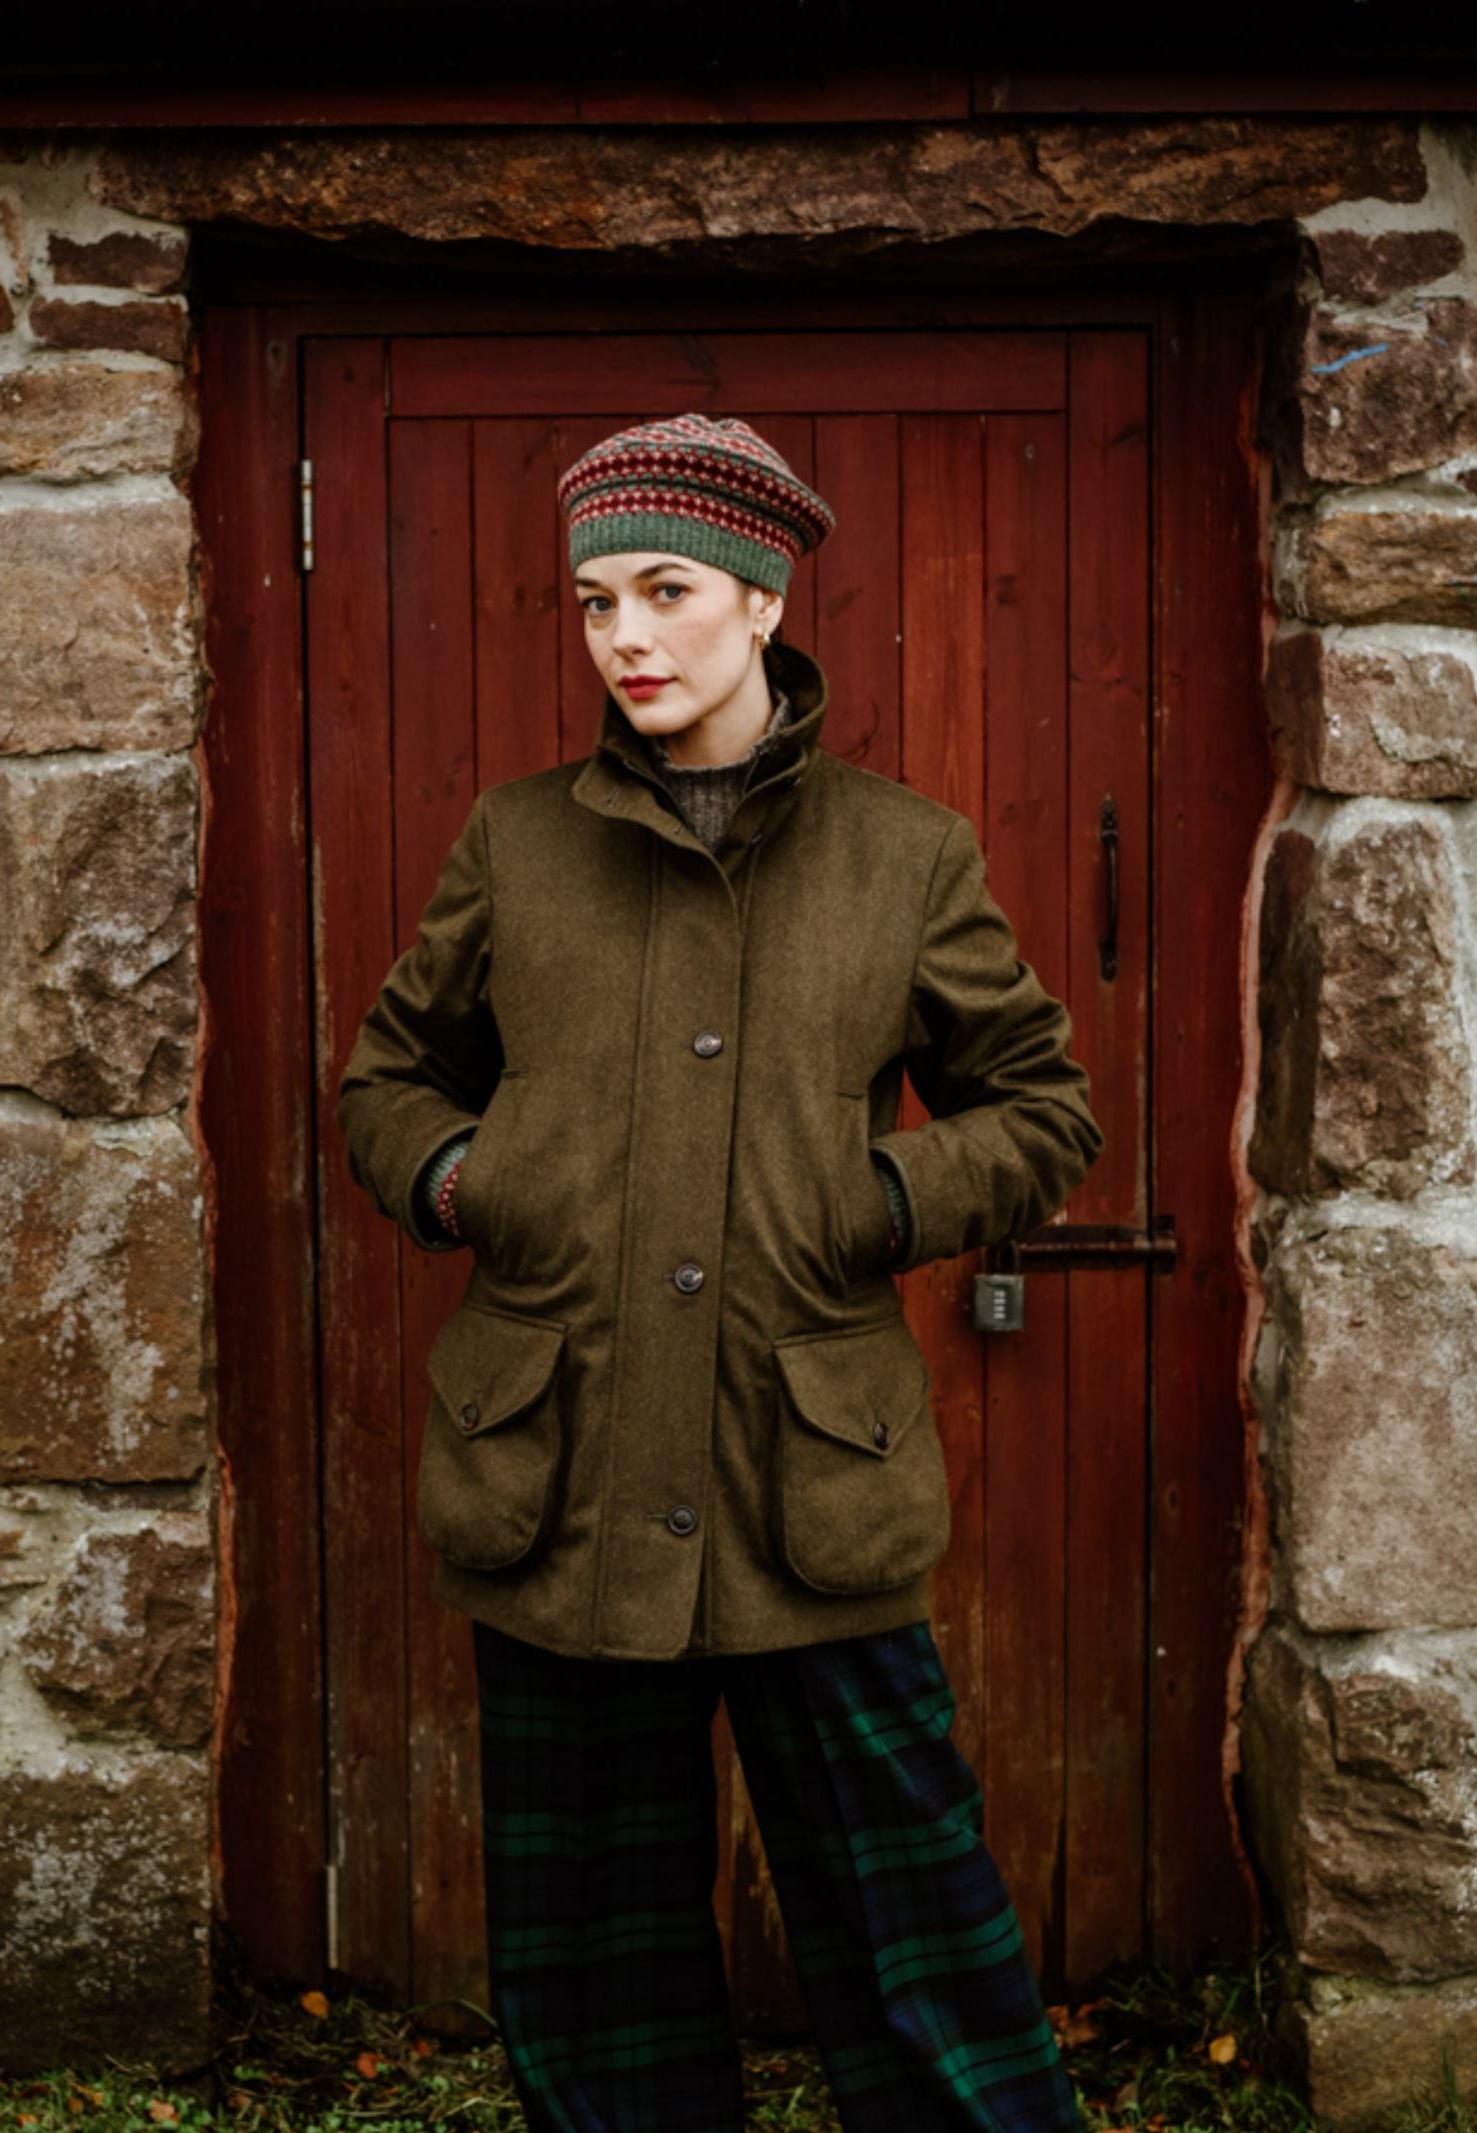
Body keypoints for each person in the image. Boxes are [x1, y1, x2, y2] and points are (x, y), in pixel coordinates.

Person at [337, 412, 1104, 2133]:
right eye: (596, 598)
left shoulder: (905, 856)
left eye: (667, 589)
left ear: (761, 602)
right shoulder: (517, 842)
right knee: (595, 1982)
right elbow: (389, 1080)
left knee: (919, 1948)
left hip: (807, 1474)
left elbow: (1045, 1110)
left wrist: (875, 1196)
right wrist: (468, 1178)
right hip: (562, 1465)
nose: (625, 634)